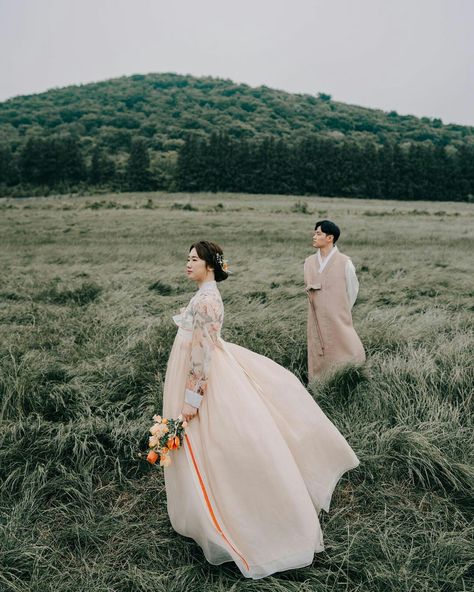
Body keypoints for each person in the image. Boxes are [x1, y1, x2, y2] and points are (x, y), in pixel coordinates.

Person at [162, 240, 359, 580]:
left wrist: (192, 398)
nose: (187, 264)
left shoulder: (208, 299)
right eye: (187, 258)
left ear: (210, 265)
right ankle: (202, 510)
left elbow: (203, 353)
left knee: (219, 441)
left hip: (204, 379)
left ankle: (238, 515)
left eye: (193, 259)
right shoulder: (202, 295)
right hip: (192, 371)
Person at [304, 220, 365, 380]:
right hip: (315, 317)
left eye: (318, 233)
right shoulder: (309, 262)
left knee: (344, 347)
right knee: (318, 347)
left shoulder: (345, 262)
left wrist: (339, 310)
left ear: (330, 238)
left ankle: (347, 377)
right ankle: (318, 384)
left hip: (338, 317)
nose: (314, 236)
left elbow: (352, 290)